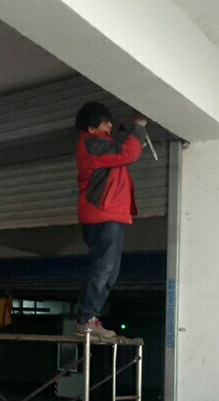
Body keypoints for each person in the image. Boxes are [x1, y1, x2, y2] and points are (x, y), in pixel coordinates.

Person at [73, 101, 147, 339]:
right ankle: (85, 319)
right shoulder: (93, 143)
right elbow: (127, 153)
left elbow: (119, 151)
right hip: (102, 213)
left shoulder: (98, 144)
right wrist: (139, 126)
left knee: (109, 271)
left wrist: (129, 133)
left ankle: (89, 318)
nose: (110, 126)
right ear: (92, 128)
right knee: (103, 269)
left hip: (109, 213)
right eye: (106, 124)